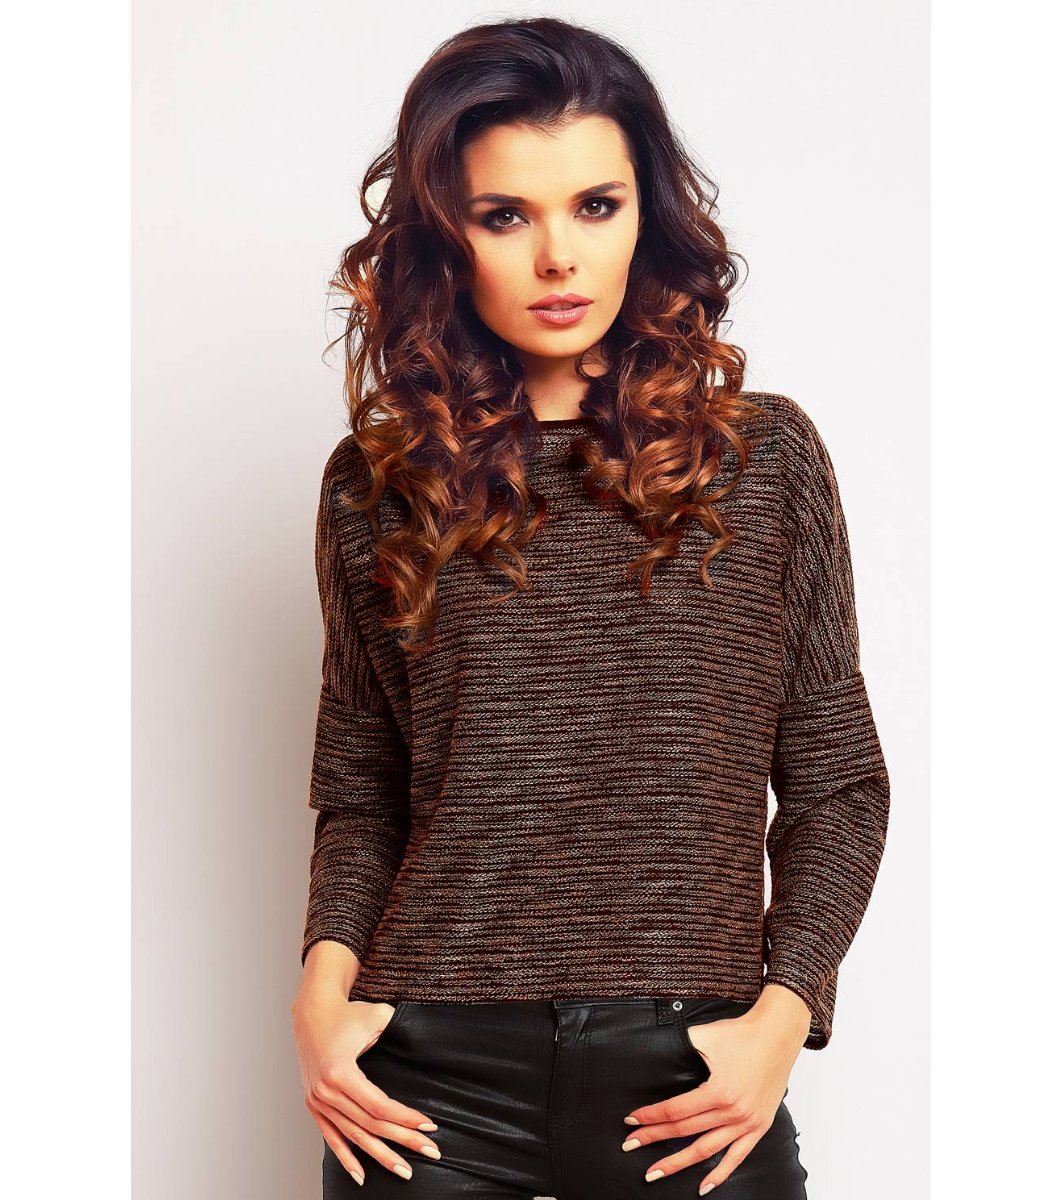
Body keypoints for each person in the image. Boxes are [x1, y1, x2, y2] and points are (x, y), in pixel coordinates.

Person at [291, 16, 890, 1200]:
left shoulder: (765, 460)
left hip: (692, 1079)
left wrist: (784, 1016)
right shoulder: (378, 481)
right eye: (505, 215)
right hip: (426, 1086)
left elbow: (838, 784)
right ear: (447, 237)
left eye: (596, 206)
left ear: (645, 219)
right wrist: (320, 994)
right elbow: (363, 787)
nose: (558, 256)